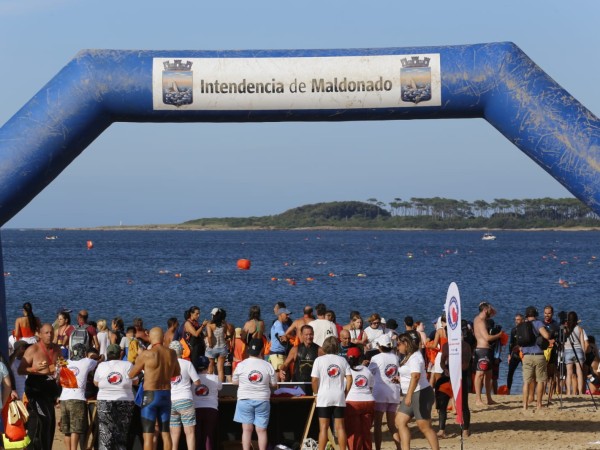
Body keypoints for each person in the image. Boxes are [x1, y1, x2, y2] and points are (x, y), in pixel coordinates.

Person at [128, 327, 181, 450]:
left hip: (150, 396)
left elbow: (131, 374)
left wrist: (145, 368)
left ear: (150, 338)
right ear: (163, 338)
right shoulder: (172, 353)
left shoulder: (147, 354)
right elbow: (176, 373)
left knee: (148, 435)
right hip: (166, 395)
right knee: (165, 432)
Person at [19, 323, 62, 450]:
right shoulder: (33, 349)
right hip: (35, 390)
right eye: (47, 333)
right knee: (44, 420)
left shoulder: (56, 349)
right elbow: (20, 370)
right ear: (40, 335)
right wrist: (34, 368)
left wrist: (61, 369)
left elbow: (60, 366)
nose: (50, 335)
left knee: (50, 423)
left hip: (50, 391)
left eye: (51, 333)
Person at [395, 332, 439, 450]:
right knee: (400, 421)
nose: (397, 346)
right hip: (412, 393)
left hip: (421, 392)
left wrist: (408, 395)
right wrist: (400, 379)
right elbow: (410, 375)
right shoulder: (409, 356)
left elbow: (416, 376)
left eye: (398, 344)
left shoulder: (415, 357)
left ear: (406, 343)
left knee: (424, 426)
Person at [232, 339, 277, 450]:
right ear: (262, 350)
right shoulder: (268, 365)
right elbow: (274, 384)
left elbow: (234, 381)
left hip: (244, 399)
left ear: (248, 350)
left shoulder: (241, 364)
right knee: (261, 430)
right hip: (262, 400)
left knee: (247, 430)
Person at [311, 336, 351, 450]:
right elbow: (350, 378)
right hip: (339, 395)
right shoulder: (342, 360)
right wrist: (345, 392)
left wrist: (315, 394)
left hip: (324, 395)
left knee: (323, 428)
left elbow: (314, 380)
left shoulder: (319, 360)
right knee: (340, 428)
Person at [58, 343, 99, 450]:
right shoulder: (86, 362)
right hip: (77, 398)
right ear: (84, 353)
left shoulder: (65, 362)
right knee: (75, 429)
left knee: (66, 430)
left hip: (64, 398)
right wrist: (94, 357)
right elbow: (99, 360)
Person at [368, 334, 401, 450]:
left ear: (379, 346)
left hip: (380, 393)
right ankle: (399, 447)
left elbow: (368, 374)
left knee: (377, 424)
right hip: (394, 393)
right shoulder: (395, 357)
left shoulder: (376, 358)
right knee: (392, 425)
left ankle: (378, 448)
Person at [168, 340, 200, 450]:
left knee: (174, 433)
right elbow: (197, 382)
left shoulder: (166, 365)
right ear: (181, 351)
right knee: (190, 432)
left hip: (170, 401)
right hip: (185, 399)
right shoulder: (187, 364)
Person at [521, 306, 553, 410]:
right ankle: (538, 404)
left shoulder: (522, 325)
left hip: (526, 356)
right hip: (538, 355)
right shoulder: (538, 323)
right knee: (540, 380)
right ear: (535, 314)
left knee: (526, 381)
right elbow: (546, 336)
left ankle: (525, 405)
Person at [344, 346, 375, 450]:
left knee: (354, 433)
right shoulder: (366, 370)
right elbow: (370, 387)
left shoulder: (347, 371)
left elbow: (345, 387)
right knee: (366, 432)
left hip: (352, 402)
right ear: (360, 358)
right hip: (368, 401)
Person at [473, 302, 502, 406]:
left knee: (488, 375)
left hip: (486, 350)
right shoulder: (480, 321)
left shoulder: (480, 318)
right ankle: (478, 399)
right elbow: (487, 338)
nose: (491, 311)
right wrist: (499, 335)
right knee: (480, 374)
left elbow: (494, 313)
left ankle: (489, 399)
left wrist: (489, 307)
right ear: (485, 310)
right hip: (482, 350)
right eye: (489, 309)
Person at [279, 325, 323, 394]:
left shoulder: (319, 350)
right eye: (306, 335)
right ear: (301, 335)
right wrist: (282, 370)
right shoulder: (295, 349)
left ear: (313, 334)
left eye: (311, 334)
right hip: (298, 384)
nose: (309, 337)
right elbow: (285, 364)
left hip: (313, 384)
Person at [193, 356, 222, 450]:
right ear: (208, 365)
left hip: (196, 409)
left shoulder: (192, 379)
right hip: (211, 409)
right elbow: (220, 388)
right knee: (208, 436)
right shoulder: (214, 378)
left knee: (196, 436)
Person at [563, 311, 589, 395]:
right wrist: (583, 354)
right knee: (579, 372)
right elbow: (582, 343)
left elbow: (562, 342)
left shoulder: (565, 329)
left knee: (569, 373)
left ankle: (568, 392)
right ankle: (581, 392)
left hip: (568, 351)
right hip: (578, 352)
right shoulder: (580, 329)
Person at [206, 308, 231, 382]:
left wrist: (210, 345)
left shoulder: (210, 325)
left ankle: (210, 383)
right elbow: (227, 334)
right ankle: (220, 386)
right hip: (222, 347)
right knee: (220, 369)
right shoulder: (224, 324)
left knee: (211, 364)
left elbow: (210, 336)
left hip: (213, 347)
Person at [506, 314, 524, 395]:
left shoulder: (525, 330)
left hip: (524, 354)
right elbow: (511, 343)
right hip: (515, 355)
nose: (516, 321)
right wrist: (509, 355)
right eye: (515, 319)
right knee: (510, 372)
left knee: (526, 374)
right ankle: (508, 390)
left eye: (518, 319)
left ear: (522, 320)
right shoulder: (514, 330)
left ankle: (525, 391)